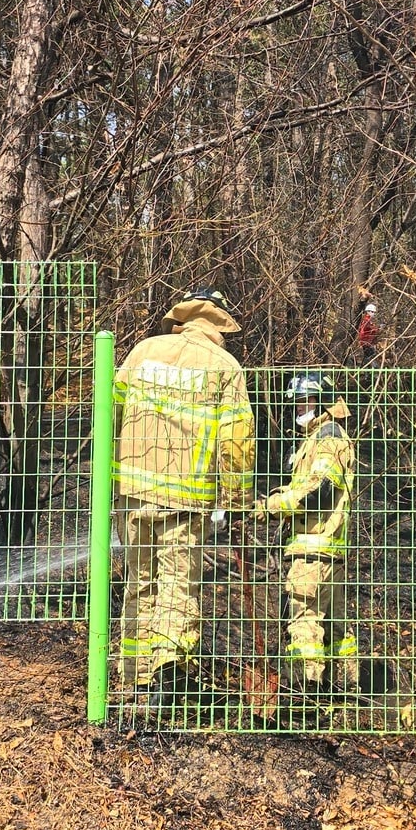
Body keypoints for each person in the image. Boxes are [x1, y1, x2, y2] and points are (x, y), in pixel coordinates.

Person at [113, 285, 255, 712]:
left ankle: (134, 676)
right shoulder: (225, 367)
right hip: (186, 499)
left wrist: (107, 480)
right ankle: (168, 677)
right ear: (220, 327)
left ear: (184, 317)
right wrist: (235, 501)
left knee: (139, 582)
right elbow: (237, 442)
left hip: (132, 492)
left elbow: (110, 413)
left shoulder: (143, 352)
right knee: (177, 587)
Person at [254, 372, 358, 701]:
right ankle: (345, 692)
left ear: (323, 401)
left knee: (304, 621)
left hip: (314, 549)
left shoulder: (328, 437)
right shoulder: (317, 437)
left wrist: (274, 506)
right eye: (297, 402)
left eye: (306, 400)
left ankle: (305, 695)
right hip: (327, 550)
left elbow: (319, 491)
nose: (300, 407)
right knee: (335, 625)